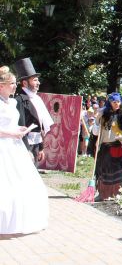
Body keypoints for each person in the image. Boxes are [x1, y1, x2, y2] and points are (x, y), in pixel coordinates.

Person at [0, 66, 48, 235]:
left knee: (21, 182)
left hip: (15, 144)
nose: (15, 86)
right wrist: (11, 133)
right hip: (4, 146)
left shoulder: (11, 102)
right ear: (1, 86)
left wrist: (19, 129)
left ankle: (16, 220)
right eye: (12, 83)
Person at [13, 58, 54, 166]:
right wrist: (26, 149)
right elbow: (20, 126)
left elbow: (39, 125)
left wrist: (41, 147)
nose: (38, 83)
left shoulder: (37, 99)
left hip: (36, 144)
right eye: (35, 80)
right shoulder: (19, 100)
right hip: (25, 145)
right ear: (25, 83)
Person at [93, 93, 122, 200]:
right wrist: (98, 119)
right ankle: (103, 194)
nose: (117, 104)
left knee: (118, 172)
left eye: (118, 102)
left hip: (118, 147)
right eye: (114, 102)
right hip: (105, 147)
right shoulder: (103, 115)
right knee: (103, 171)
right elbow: (95, 132)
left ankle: (118, 194)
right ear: (110, 102)